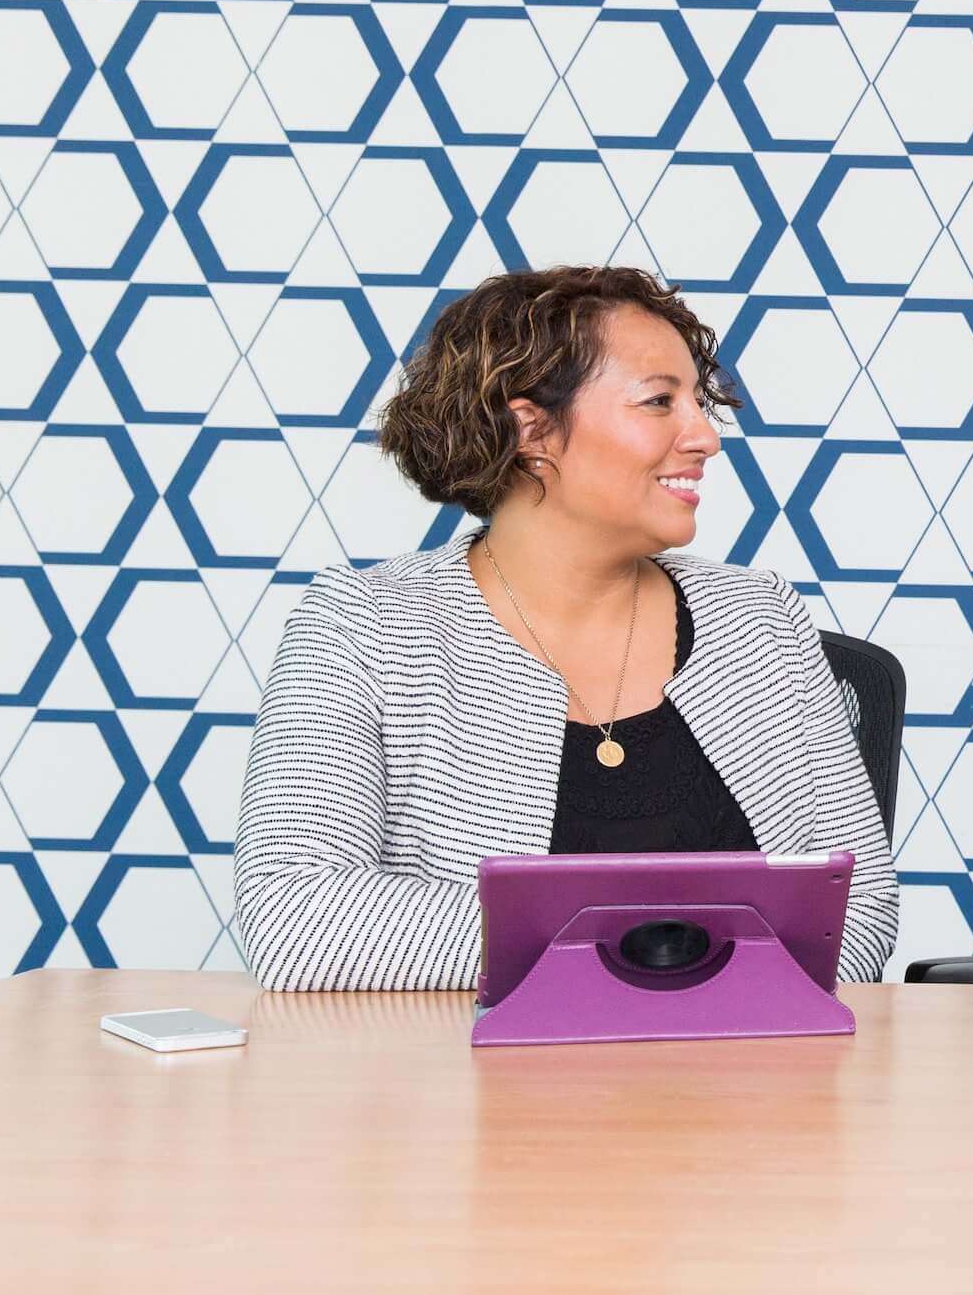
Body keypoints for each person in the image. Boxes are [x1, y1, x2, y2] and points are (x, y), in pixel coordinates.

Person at [235, 267, 897, 991]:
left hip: (747, 1059)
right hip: (465, 1067)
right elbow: (290, 918)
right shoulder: (365, 626)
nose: (705, 437)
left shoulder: (761, 619)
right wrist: (649, 946)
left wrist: (589, 947)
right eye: (659, 402)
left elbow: (857, 909)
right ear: (532, 431)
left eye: (697, 403)